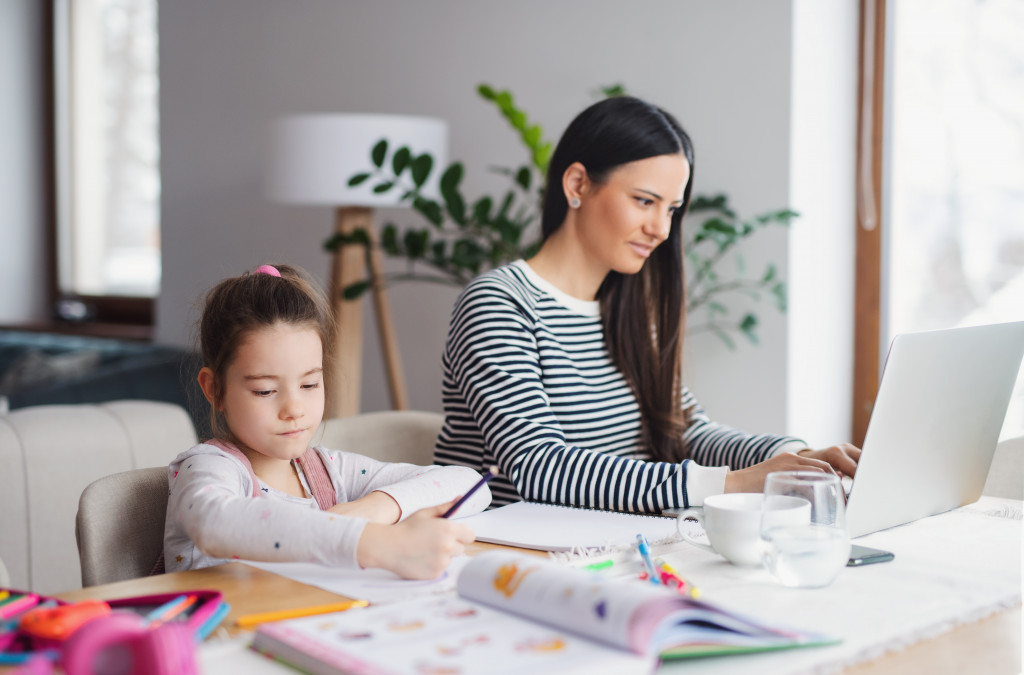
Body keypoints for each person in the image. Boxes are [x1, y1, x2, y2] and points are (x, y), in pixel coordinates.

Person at [434, 96, 860, 511]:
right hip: (510, 555)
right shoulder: (499, 303)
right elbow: (540, 467)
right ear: (577, 184)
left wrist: (800, 458)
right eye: (644, 201)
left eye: (672, 209)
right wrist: (729, 483)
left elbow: (686, 429)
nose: (660, 229)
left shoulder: (628, 310)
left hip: (619, 544)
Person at [164, 263, 489, 579]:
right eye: (265, 391)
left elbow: (469, 485)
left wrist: (376, 508)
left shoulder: (327, 472)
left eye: (309, 385)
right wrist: (376, 543)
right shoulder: (208, 468)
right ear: (214, 389)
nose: (294, 408)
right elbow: (215, 522)